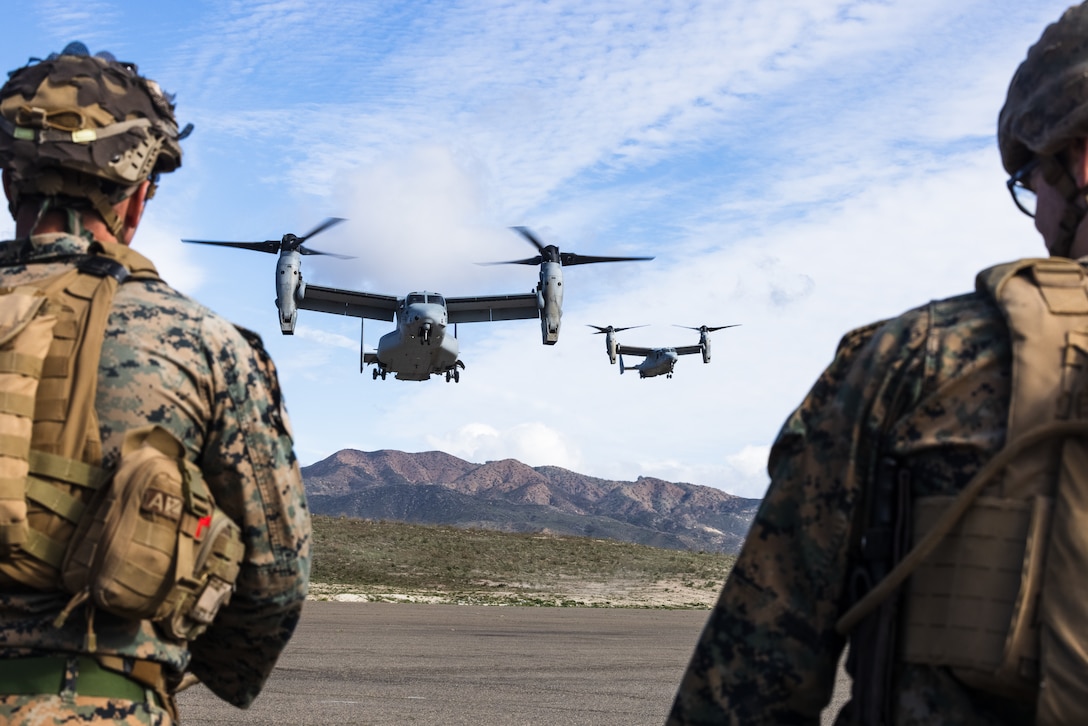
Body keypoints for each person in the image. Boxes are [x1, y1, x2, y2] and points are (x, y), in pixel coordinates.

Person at [667, 4, 1088, 725]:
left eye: (1032, 183)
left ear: (1078, 162)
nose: (1038, 214)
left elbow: (743, 690)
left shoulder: (915, 361)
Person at [0, 42, 311, 724]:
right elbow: (279, 578)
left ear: (10, 183)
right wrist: (158, 678)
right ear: (137, 198)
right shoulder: (206, 345)